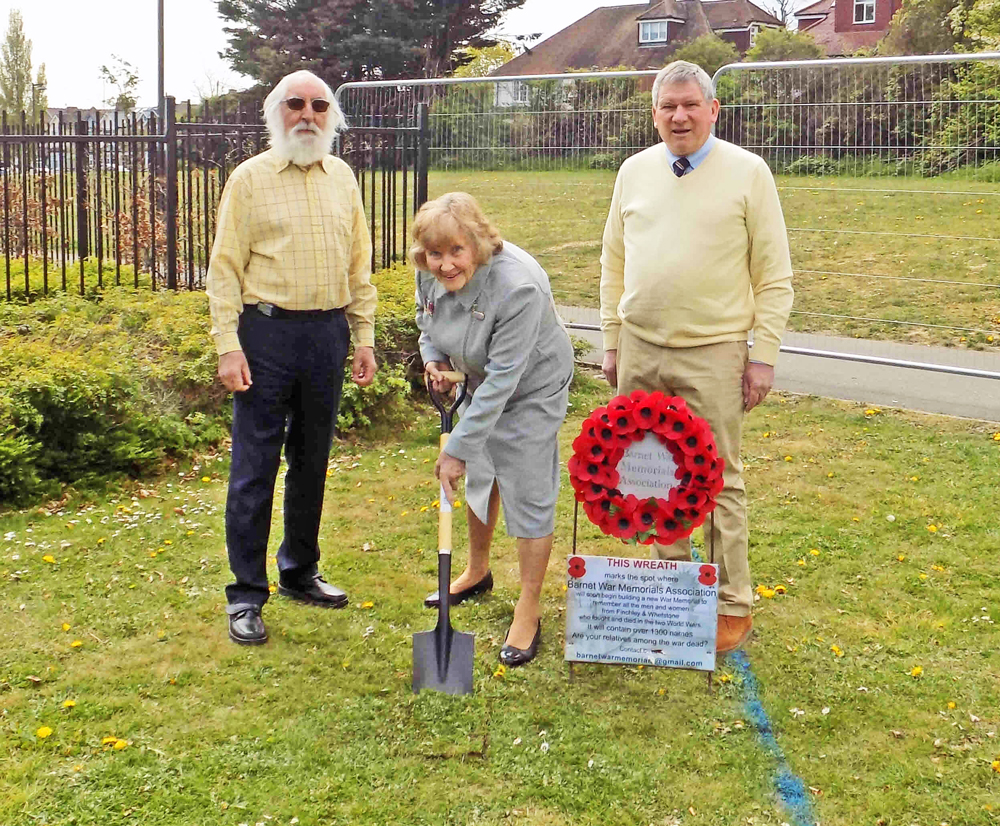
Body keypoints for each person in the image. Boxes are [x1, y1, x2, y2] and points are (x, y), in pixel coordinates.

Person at [599, 60, 794, 655]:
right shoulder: (633, 172)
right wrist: (611, 339)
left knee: (717, 478)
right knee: (652, 473)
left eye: (690, 105)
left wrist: (762, 356)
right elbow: (613, 261)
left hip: (715, 351)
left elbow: (775, 275)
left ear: (713, 110)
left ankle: (732, 602)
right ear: (654, 113)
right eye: (667, 107)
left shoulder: (748, 173)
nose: (678, 116)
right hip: (640, 347)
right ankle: (674, 589)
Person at [207, 69, 378, 646]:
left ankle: (299, 571)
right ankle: (246, 594)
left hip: (326, 335)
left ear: (332, 116)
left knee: (311, 463)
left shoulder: (343, 178)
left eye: (319, 105)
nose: (308, 114)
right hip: (267, 337)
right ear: (275, 111)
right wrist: (228, 344)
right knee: (254, 467)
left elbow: (359, 263)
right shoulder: (249, 179)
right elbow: (225, 268)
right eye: (295, 104)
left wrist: (363, 336)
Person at [412, 192, 574, 668]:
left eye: (455, 251)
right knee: (482, 475)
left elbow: (505, 379)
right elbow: (428, 325)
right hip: (477, 381)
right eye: (434, 254)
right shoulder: (428, 269)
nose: (444, 265)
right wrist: (434, 360)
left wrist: (457, 448)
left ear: (479, 244)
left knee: (526, 487)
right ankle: (477, 571)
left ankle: (529, 606)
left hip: (530, 388)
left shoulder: (517, 287)